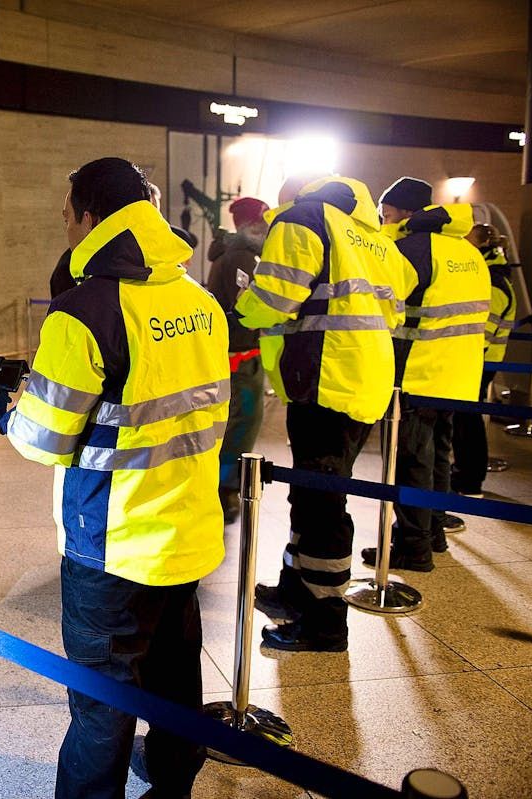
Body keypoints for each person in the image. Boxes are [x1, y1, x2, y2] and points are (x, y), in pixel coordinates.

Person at [7, 157, 228, 799]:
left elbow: (43, 440)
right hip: (186, 523)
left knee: (103, 699)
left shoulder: (85, 309)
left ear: (90, 217)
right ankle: (172, 784)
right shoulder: (198, 299)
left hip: (113, 537)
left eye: (68, 215)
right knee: (176, 673)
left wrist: (10, 410)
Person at [238, 175, 409, 652]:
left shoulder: (302, 219)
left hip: (326, 380)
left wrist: (242, 306)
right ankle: (294, 591)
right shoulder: (372, 236)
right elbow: (395, 308)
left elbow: (274, 300)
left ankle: (324, 623)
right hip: (365, 378)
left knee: (323, 504)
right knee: (312, 494)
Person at [358, 178, 489, 570]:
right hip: (459, 374)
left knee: (412, 461)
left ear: (405, 213)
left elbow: (384, 306)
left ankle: (412, 547)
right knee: (439, 457)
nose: (385, 220)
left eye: (388, 213)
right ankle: (433, 535)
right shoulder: (466, 250)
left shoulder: (413, 249)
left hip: (417, 373)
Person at [206, 196, 270, 524]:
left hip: (239, 356)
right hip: (239, 360)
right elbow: (249, 306)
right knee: (241, 426)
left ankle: (225, 487)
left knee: (237, 425)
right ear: (251, 223)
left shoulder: (235, 254)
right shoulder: (241, 257)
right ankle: (226, 490)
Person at [450, 224, 517, 497]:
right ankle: (466, 474)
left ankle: (470, 479)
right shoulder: (495, 277)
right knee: (467, 420)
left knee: (468, 422)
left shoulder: (493, 283)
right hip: (482, 361)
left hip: (481, 361)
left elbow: (481, 333)